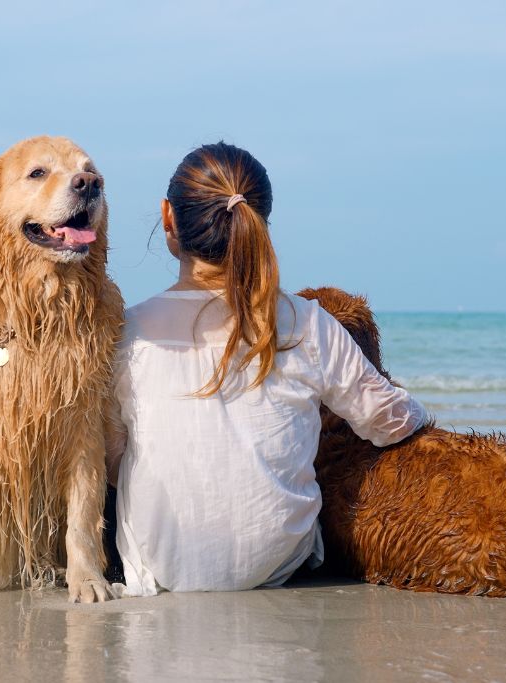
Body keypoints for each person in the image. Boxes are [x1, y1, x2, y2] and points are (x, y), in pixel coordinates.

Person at [105, 142, 427, 597]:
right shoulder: (307, 322)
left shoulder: (129, 331)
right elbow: (390, 423)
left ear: (168, 218)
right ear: (261, 223)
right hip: (277, 562)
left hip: (159, 570)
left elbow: (113, 462)